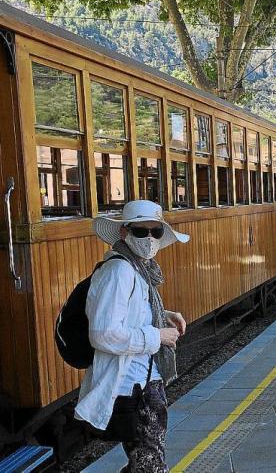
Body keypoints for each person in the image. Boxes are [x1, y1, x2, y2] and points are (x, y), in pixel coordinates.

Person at [75, 200, 189, 471]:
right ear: (124, 232)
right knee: (150, 466)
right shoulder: (119, 271)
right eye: (141, 231)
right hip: (133, 386)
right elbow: (103, 333)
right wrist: (157, 336)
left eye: (156, 232)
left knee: (145, 462)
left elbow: (129, 312)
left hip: (144, 380)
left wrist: (163, 315)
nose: (149, 239)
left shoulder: (136, 267)